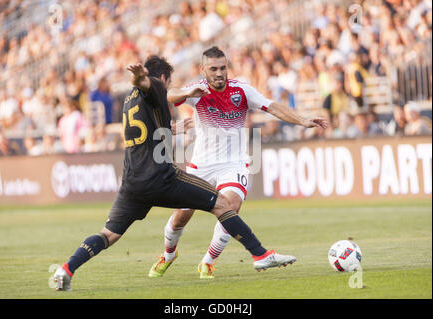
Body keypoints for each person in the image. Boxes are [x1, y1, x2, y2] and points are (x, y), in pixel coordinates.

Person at [53, 55, 298, 291]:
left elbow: (146, 128)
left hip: (132, 184)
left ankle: (66, 269)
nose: (167, 86)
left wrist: (172, 128)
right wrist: (146, 79)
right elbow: (151, 86)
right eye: (167, 81)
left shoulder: (129, 99)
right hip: (161, 178)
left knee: (109, 234)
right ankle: (260, 254)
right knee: (223, 203)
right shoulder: (155, 85)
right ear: (162, 78)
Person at [149, 47, 328, 279]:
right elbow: (168, 95)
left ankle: (208, 261)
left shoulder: (242, 90)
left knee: (230, 206)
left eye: (223, 67)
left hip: (233, 164)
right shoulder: (198, 91)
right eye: (213, 69)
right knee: (181, 216)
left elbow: (271, 106)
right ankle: (168, 254)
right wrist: (189, 91)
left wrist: (302, 120)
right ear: (204, 70)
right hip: (201, 165)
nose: (219, 73)